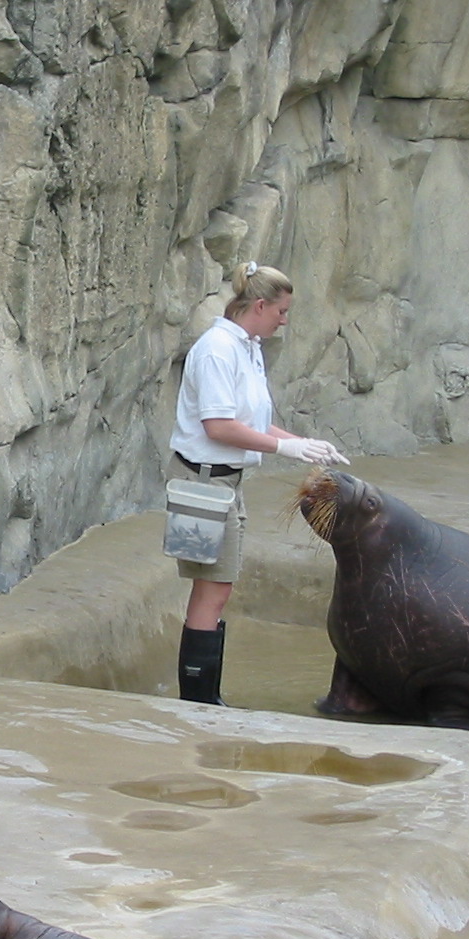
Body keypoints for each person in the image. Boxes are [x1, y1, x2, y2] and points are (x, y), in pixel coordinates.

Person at [168, 260, 348, 706]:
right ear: (261, 305)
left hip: (228, 481)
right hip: (204, 481)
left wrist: (304, 442)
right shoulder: (217, 350)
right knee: (213, 589)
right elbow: (219, 427)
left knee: (218, 587)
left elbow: (251, 423)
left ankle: (207, 697)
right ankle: (199, 702)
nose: (284, 321)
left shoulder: (246, 347)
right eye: (281, 312)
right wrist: (284, 450)